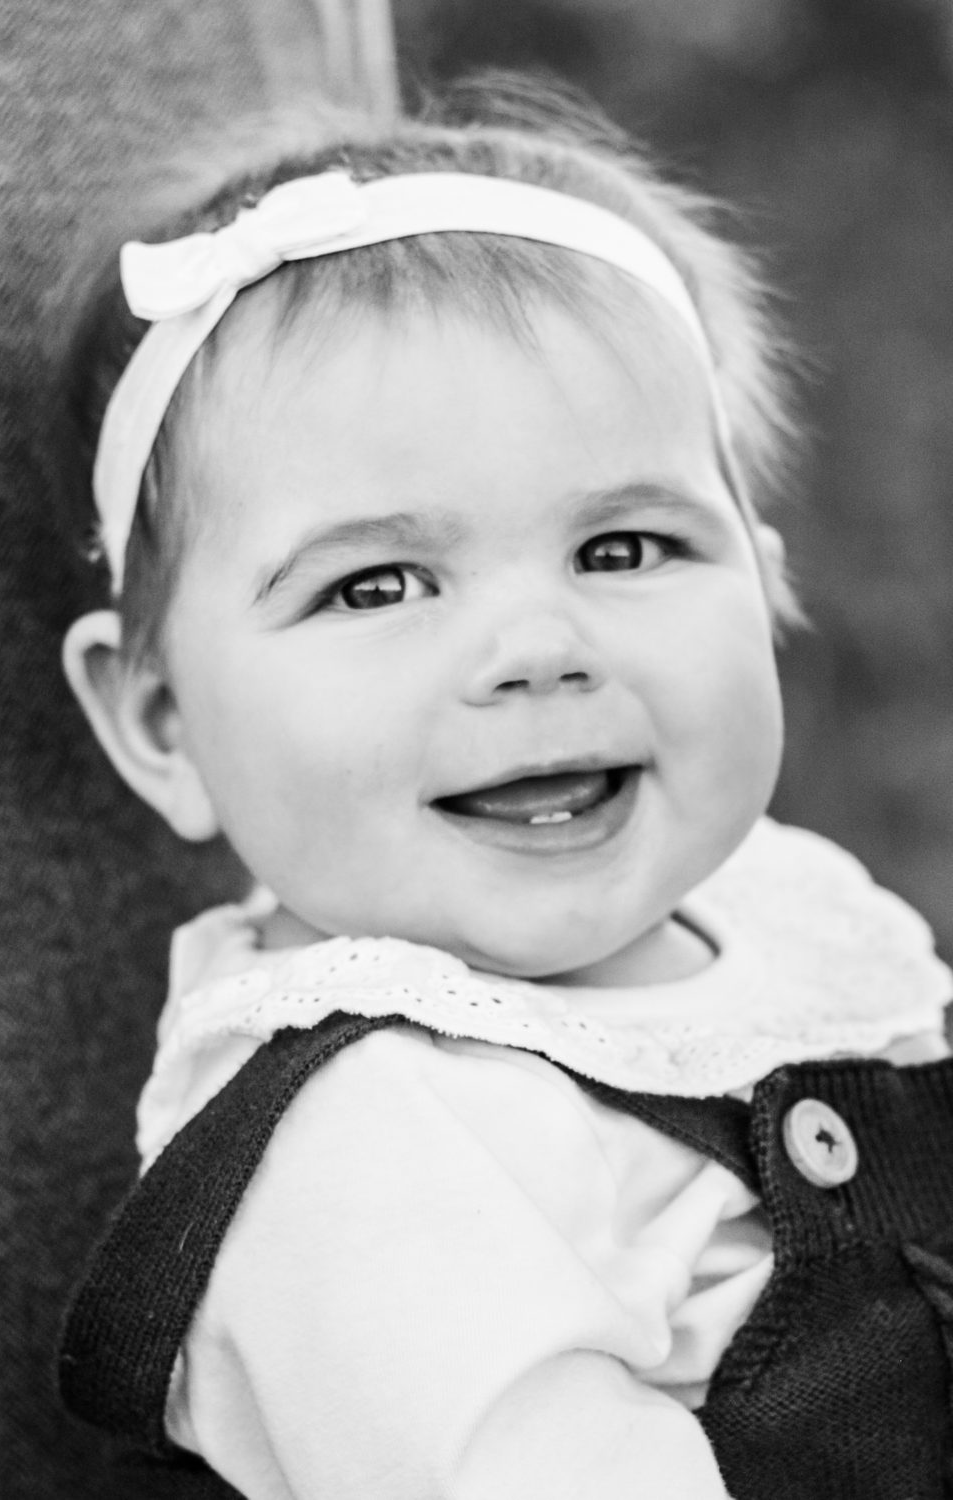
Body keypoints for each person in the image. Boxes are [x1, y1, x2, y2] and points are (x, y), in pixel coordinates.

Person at [54, 76, 953, 1500]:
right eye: (378, 583)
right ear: (161, 720)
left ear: (767, 584)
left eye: (623, 551)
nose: (538, 651)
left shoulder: (796, 920)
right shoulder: (360, 1158)